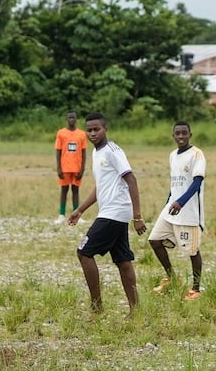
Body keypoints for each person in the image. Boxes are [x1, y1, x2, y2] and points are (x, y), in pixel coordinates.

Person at [67, 113, 144, 313]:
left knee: (84, 253)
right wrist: (80, 209)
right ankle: (135, 311)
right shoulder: (96, 153)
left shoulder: (113, 151)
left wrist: (138, 217)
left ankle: (97, 307)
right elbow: (100, 187)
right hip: (112, 212)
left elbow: (132, 180)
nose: (92, 133)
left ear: (105, 129)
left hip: (114, 212)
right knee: (123, 261)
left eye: (96, 129)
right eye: (89, 130)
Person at [150, 121, 206, 298]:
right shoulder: (173, 155)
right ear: (173, 135)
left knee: (192, 251)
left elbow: (197, 182)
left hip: (189, 213)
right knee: (155, 240)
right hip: (171, 209)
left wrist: (181, 202)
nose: (181, 136)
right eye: (177, 133)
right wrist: (169, 203)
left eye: (184, 133)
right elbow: (175, 184)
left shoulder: (197, 155)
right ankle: (172, 279)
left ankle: (196, 289)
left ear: (190, 135)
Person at [55, 111, 87, 224]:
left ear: (76, 119)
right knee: (64, 190)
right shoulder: (61, 133)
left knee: (75, 191)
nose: (72, 120)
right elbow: (58, 151)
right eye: (70, 118)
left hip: (77, 168)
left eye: (73, 117)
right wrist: (58, 168)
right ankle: (61, 215)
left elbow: (84, 152)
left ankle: (76, 214)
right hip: (65, 168)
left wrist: (82, 169)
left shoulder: (82, 134)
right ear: (66, 119)